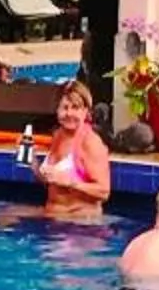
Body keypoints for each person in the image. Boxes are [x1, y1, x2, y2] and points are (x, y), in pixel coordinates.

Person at [35, 82, 113, 215]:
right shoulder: (58, 135)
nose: (69, 113)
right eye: (64, 108)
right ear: (57, 110)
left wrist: (70, 182)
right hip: (53, 215)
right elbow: (52, 182)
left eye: (75, 108)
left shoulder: (90, 142)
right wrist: (32, 162)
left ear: (86, 111)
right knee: (5, 216)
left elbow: (104, 191)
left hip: (78, 222)